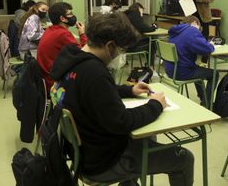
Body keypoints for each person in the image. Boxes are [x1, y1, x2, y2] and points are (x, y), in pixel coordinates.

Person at [50, 12, 194, 186]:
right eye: (121, 49)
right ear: (110, 46)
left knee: (147, 138)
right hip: (103, 162)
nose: (120, 54)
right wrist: (156, 104)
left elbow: (94, 93)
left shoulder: (73, 59)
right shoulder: (95, 73)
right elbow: (121, 122)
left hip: (84, 152)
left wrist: (129, 90)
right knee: (184, 159)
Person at [164, 15, 217, 107]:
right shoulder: (191, 31)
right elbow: (208, 49)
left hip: (170, 69)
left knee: (198, 70)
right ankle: (207, 104)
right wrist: (211, 44)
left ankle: (203, 97)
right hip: (181, 72)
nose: (199, 30)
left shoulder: (176, 31)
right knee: (214, 74)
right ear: (195, 23)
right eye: (199, 28)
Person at [37, 2, 87, 92]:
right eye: (70, 14)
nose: (73, 16)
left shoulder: (50, 29)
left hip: (45, 78)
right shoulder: (63, 34)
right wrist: (82, 34)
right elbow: (83, 54)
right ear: (62, 18)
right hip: (53, 83)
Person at [124, 2, 157, 66]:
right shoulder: (134, 15)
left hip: (125, 44)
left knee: (149, 40)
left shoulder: (127, 14)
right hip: (130, 46)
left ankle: (151, 61)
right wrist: (153, 27)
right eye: (142, 10)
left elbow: (141, 26)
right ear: (139, 8)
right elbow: (143, 28)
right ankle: (150, 64)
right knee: (152, 42)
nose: (142, 12)